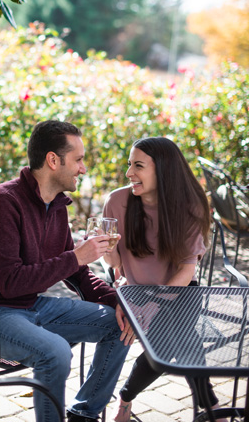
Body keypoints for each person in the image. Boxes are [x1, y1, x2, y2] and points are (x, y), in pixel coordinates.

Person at [0, 120, 130, 422]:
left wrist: (119, 302)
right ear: (52, 160)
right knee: (56, 352)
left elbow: (78, 275)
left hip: (31, 307)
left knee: (120, 324)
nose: (83, 169)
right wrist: (76, 256)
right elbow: (10, 283)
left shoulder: (56, 206)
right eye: (78, 160)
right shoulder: (2, 203)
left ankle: (83, 414)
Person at [102, 136, 227, 422]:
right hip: (136, 293)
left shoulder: (190, 206)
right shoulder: (117, 202)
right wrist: (106, 251)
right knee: (182, 341)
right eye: (129, 165)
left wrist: (152, 305)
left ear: (163, 170)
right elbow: (115, 265)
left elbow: (186, 271)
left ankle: (125, 397)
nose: (128, 173)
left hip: (180, 291)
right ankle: (211, 406)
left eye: (138, 166)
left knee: (169, 344)